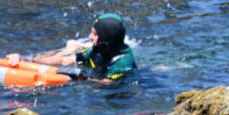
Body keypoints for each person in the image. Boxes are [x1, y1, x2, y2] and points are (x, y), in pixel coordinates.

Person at [7, 13, 136, 82]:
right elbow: (65, 60)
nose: (90, 37)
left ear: (106, 38)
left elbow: (109, 83)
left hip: (118, 91)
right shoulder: (98, 49)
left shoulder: (123, 62)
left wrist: (82, 76)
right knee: (70, 50)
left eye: (95, 34)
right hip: (96, 69)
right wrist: (27, 59)